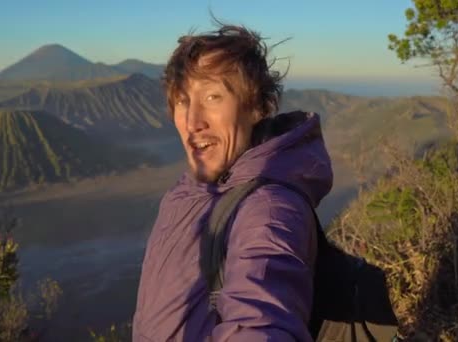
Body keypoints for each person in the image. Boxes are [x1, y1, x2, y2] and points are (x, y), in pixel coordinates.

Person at [132, 23, 333, 341]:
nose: (193, 121)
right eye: (183, 100)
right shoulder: (187, 192)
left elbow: (261, 320)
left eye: (213, 96)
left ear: (256, 108)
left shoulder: (267, 210)